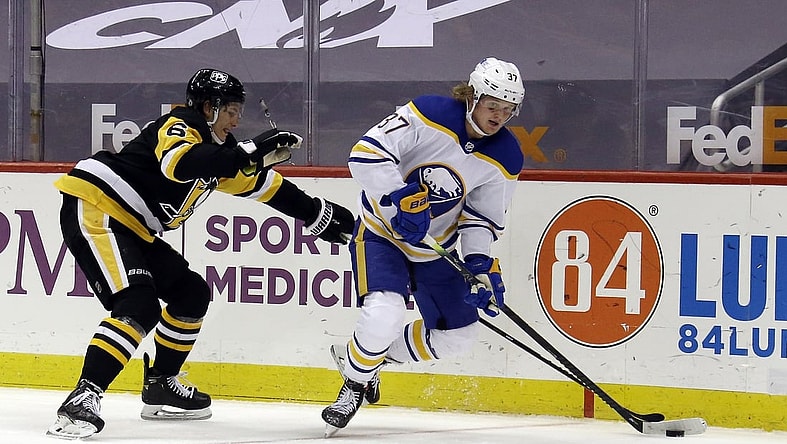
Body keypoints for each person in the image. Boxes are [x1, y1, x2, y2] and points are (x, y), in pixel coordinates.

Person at [46, 68, 355, 440]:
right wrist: (250, 150)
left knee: (190, 293)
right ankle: (83, 397)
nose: (237, 119)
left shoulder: (222, 155)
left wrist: (316, 212)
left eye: (240, 111)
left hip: (134, 225)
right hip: (97, 207)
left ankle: (161, 383)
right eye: (231, 111)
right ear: (208, 107)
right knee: (138, 305)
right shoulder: (181, 124)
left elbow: (265, 187)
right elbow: (178, 164)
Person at [321, 57, 525, 433]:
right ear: (473, 96)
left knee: (459, 339)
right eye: (493, 105)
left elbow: (480, 217)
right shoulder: (428, 112)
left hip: (436, 248)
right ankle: (354, 382)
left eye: (508, 109)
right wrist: (397, 198)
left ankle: (368, 360)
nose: (499, 116)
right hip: (382, 234)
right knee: (384, 312)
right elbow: (364, 154)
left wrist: (480, 264)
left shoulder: (507, 155)